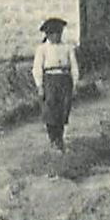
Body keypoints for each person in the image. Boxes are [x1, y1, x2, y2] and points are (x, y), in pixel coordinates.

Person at [32, 16, 80, 151]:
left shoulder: (67, 48)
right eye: (53, 34)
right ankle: (53, 138)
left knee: (63, 109)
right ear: (47, 35)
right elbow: (37, 68)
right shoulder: (42, 49)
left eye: (58, 33)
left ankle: (60, 138)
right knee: (51, 109)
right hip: (50, 80)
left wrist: (75, 83)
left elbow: (74, 67)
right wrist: (40, 86)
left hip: (64, 80)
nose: (56, 36)